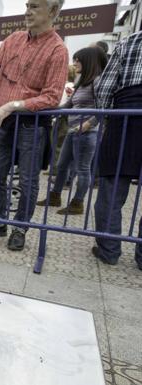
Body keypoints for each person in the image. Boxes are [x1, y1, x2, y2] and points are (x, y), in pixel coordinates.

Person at [0, 0, 69, 252]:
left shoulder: (57, 49)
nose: (27, 11)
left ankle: (20, 227)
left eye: (35, 6)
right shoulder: (13, 39)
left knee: (28, 180)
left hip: (32, 123)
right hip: (4, 120)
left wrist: (13, 104)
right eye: (27, 5)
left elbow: (52, 96)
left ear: (53, 11)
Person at [37, 47, 107, 215]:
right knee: (61, 165)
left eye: (78, 59)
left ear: (88, 62)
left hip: (87, 132)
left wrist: (88, 125)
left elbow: (104, 108)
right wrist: (48, 108)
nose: (74, 63)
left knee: (83, 169)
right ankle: (55, 196)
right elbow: (69, 105)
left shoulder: (97, 82)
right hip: (73, 130)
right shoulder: (82, 82)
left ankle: (78, 203)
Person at [93, 31, 142, 269]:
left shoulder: (130, 42)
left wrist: (106, 122)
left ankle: (109, 250)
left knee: (111, 192)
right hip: (126, 117)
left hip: (126, 121)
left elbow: (104, 89)